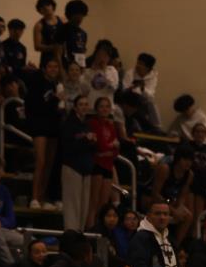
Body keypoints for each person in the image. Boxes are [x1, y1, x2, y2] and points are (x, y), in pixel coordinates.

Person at [128, 201, 204, 267]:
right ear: (148, 216)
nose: (162, 217)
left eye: (165, 214)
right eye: (157, 214)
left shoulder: (169, 239)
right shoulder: (140, 238)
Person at [26, 58, 64, 210]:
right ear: (44, 69)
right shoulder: (37, 83)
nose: (53, 69)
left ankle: (42, 197)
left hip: (53, 126)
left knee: (50, 163)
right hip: (40, 125)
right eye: (50, 66)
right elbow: (35, 104)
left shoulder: (58, 85)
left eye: (56, 67)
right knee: (40, 161)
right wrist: (54, 99)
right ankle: (34, 197)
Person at [60, 95, 96, 230]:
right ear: (75, 107)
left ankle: (79, 232)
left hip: (86, 168)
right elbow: (68, 146)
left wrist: (90, 141)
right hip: (72, 167)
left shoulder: (87, 124)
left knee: (83, 206)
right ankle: (71, 233)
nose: (84, 107)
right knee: (72, 204)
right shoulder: (69, 124)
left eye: (86, 104)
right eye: (81, 104)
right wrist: (86, 139)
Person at [151, 144, 195, 245]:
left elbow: (182, 196)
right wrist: (173, 211)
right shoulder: (165, 169)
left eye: (190, 160)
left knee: (188, 216)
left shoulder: (189, 174)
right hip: (153, 199)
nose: (188, 163)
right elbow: (155, 194)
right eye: (185, 159)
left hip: (169, 201)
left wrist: (179, 207)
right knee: (164, 211)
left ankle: (175, 245)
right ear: (178, 159)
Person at [86, 96, 119, 228]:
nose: (105, 109)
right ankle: (89, 229)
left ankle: (100, 229)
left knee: (103, 203)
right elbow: (100, 145)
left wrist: (109, 148)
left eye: (107, 106)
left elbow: (116, 150)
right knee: (93, 201)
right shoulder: (93, 123)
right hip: (97, 164)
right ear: (96, 109)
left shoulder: (110, 125)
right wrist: (110, 146)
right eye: (101, 106)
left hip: (108, 165)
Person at [122, 52, 160, 127]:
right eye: (138, 63)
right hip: (130, 97)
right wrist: (133, 87)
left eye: (141, 64)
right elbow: (124, 90)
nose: (138, 66)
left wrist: (142, 88)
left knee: (151, 104)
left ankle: (156, 126)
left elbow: (151, 95)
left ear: (148, 68)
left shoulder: (153, 76)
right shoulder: (130, 73)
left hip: (143, 99)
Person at [33, 0, 64, 67]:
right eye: (42, 7)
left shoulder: (63, 20)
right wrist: (53, 47)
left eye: (48, 5)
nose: (46, 8)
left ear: (53, 6)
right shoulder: (39, 25)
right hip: (48, 59)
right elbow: (37, 46)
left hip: (62, 57)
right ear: (40, 10)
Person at [58, 0, 89, 69]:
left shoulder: (83, 33)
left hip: (78, 69)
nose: (80, 18)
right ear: (71, 15)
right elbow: (57, 53)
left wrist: (83, 67)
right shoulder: (62, 29)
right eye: (78, 15)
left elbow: (82, 52)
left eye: (82, 15)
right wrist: (62, 71)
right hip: (66, 67)